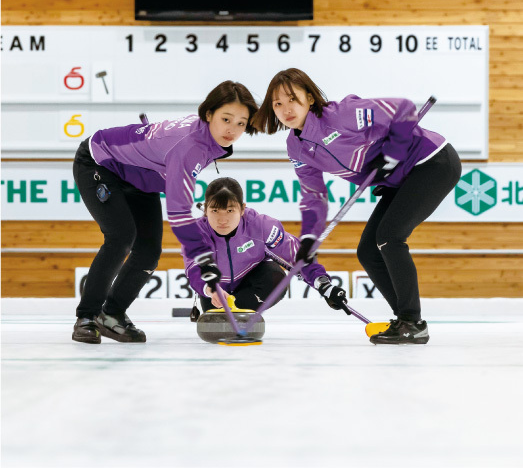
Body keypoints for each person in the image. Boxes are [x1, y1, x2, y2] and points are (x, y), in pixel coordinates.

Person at [252, 68, 462, 345]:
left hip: (431, 162)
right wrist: (308, 239)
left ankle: (413, 321)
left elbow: (403, 109)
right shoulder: (296, 148)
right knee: (368, 251)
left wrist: (392, 154)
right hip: (397, 180)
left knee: (389, 237)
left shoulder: (342, 114)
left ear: (310, 98)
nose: (286, 109)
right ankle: (404, 320)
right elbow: (314, 196)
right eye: (278, 104)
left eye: (292, 99)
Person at [72, 81, 259, 344]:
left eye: (241, 123)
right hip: (100, 162)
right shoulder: (190, 146)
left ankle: (112, 315)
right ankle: (87, 316)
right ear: (209, 114)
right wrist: (207, 267)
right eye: (226, 119)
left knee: (148, 252)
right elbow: (180, 215)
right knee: (121, 237)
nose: (233, 129)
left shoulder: (207, 140)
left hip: (141, 176)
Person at [182, 177, 347, 313]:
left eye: (230, 210)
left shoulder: (262, 227)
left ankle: (240, 311)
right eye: (215, 211)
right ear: (205, 210)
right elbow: (195, 270)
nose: (222, 220)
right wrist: (211, 289)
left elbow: (296, 254)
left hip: (251, 285)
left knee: (275, 277)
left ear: (242, 209)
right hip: (215, 293)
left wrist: (323, 284)